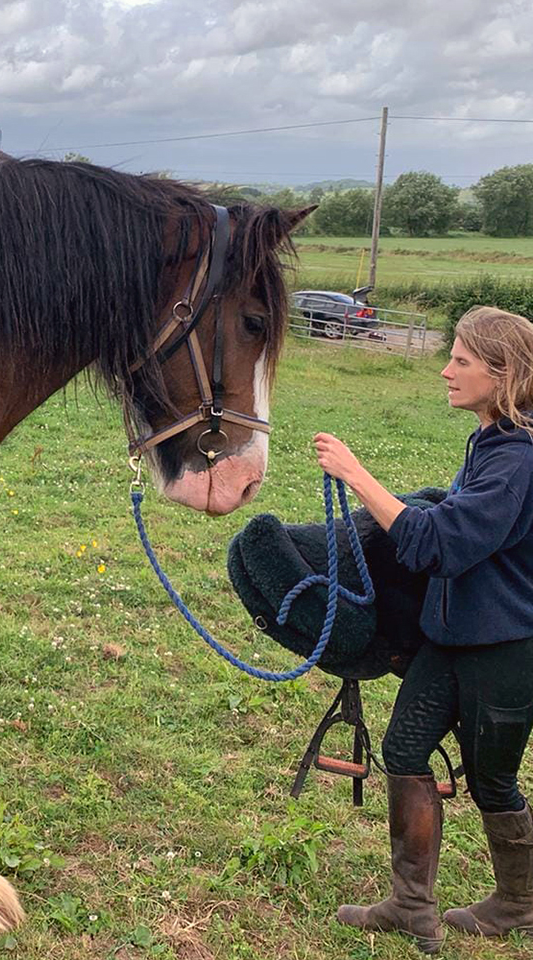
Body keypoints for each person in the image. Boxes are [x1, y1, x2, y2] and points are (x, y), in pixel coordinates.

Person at [313, 305, 533, 954]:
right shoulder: (490, 442)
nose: (446, 370)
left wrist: (357, 475)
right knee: (404, 750)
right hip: (452, 639)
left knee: (492, 779)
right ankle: (412, 906)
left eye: (461, 360)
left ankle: (518, 904)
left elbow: (440, 545)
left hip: (505, 653)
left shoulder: (519, 461)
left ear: (504, 373)